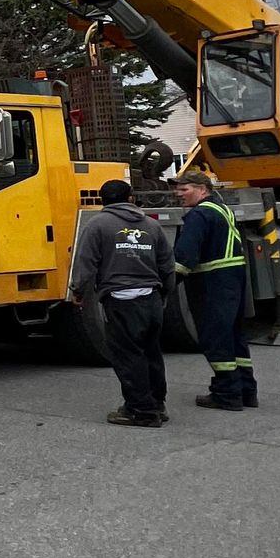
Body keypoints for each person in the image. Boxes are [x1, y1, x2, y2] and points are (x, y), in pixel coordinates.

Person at [73, 176, 177, 426]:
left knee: (129, 356)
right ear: (131, 198)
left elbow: (86, 263)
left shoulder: (98, 225)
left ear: (101, 200)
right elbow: (167, 264)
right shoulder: (151, 226)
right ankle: (157, 404)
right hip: (151, 298)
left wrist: (78, 291)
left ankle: (142, 411)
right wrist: (165, 293)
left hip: (121, 299)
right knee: (151, 353)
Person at [171, 169, 258, 410]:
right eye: (178, 189)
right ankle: (246, 391)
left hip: (211, 284)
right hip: (232, 279)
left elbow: (185, 255)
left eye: (184, 189)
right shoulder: (222, 210)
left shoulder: (198, 215)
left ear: (202, 189)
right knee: (234, 336)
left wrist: (167, 284)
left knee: (215, 337)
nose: (179, 194)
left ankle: (227, 394)